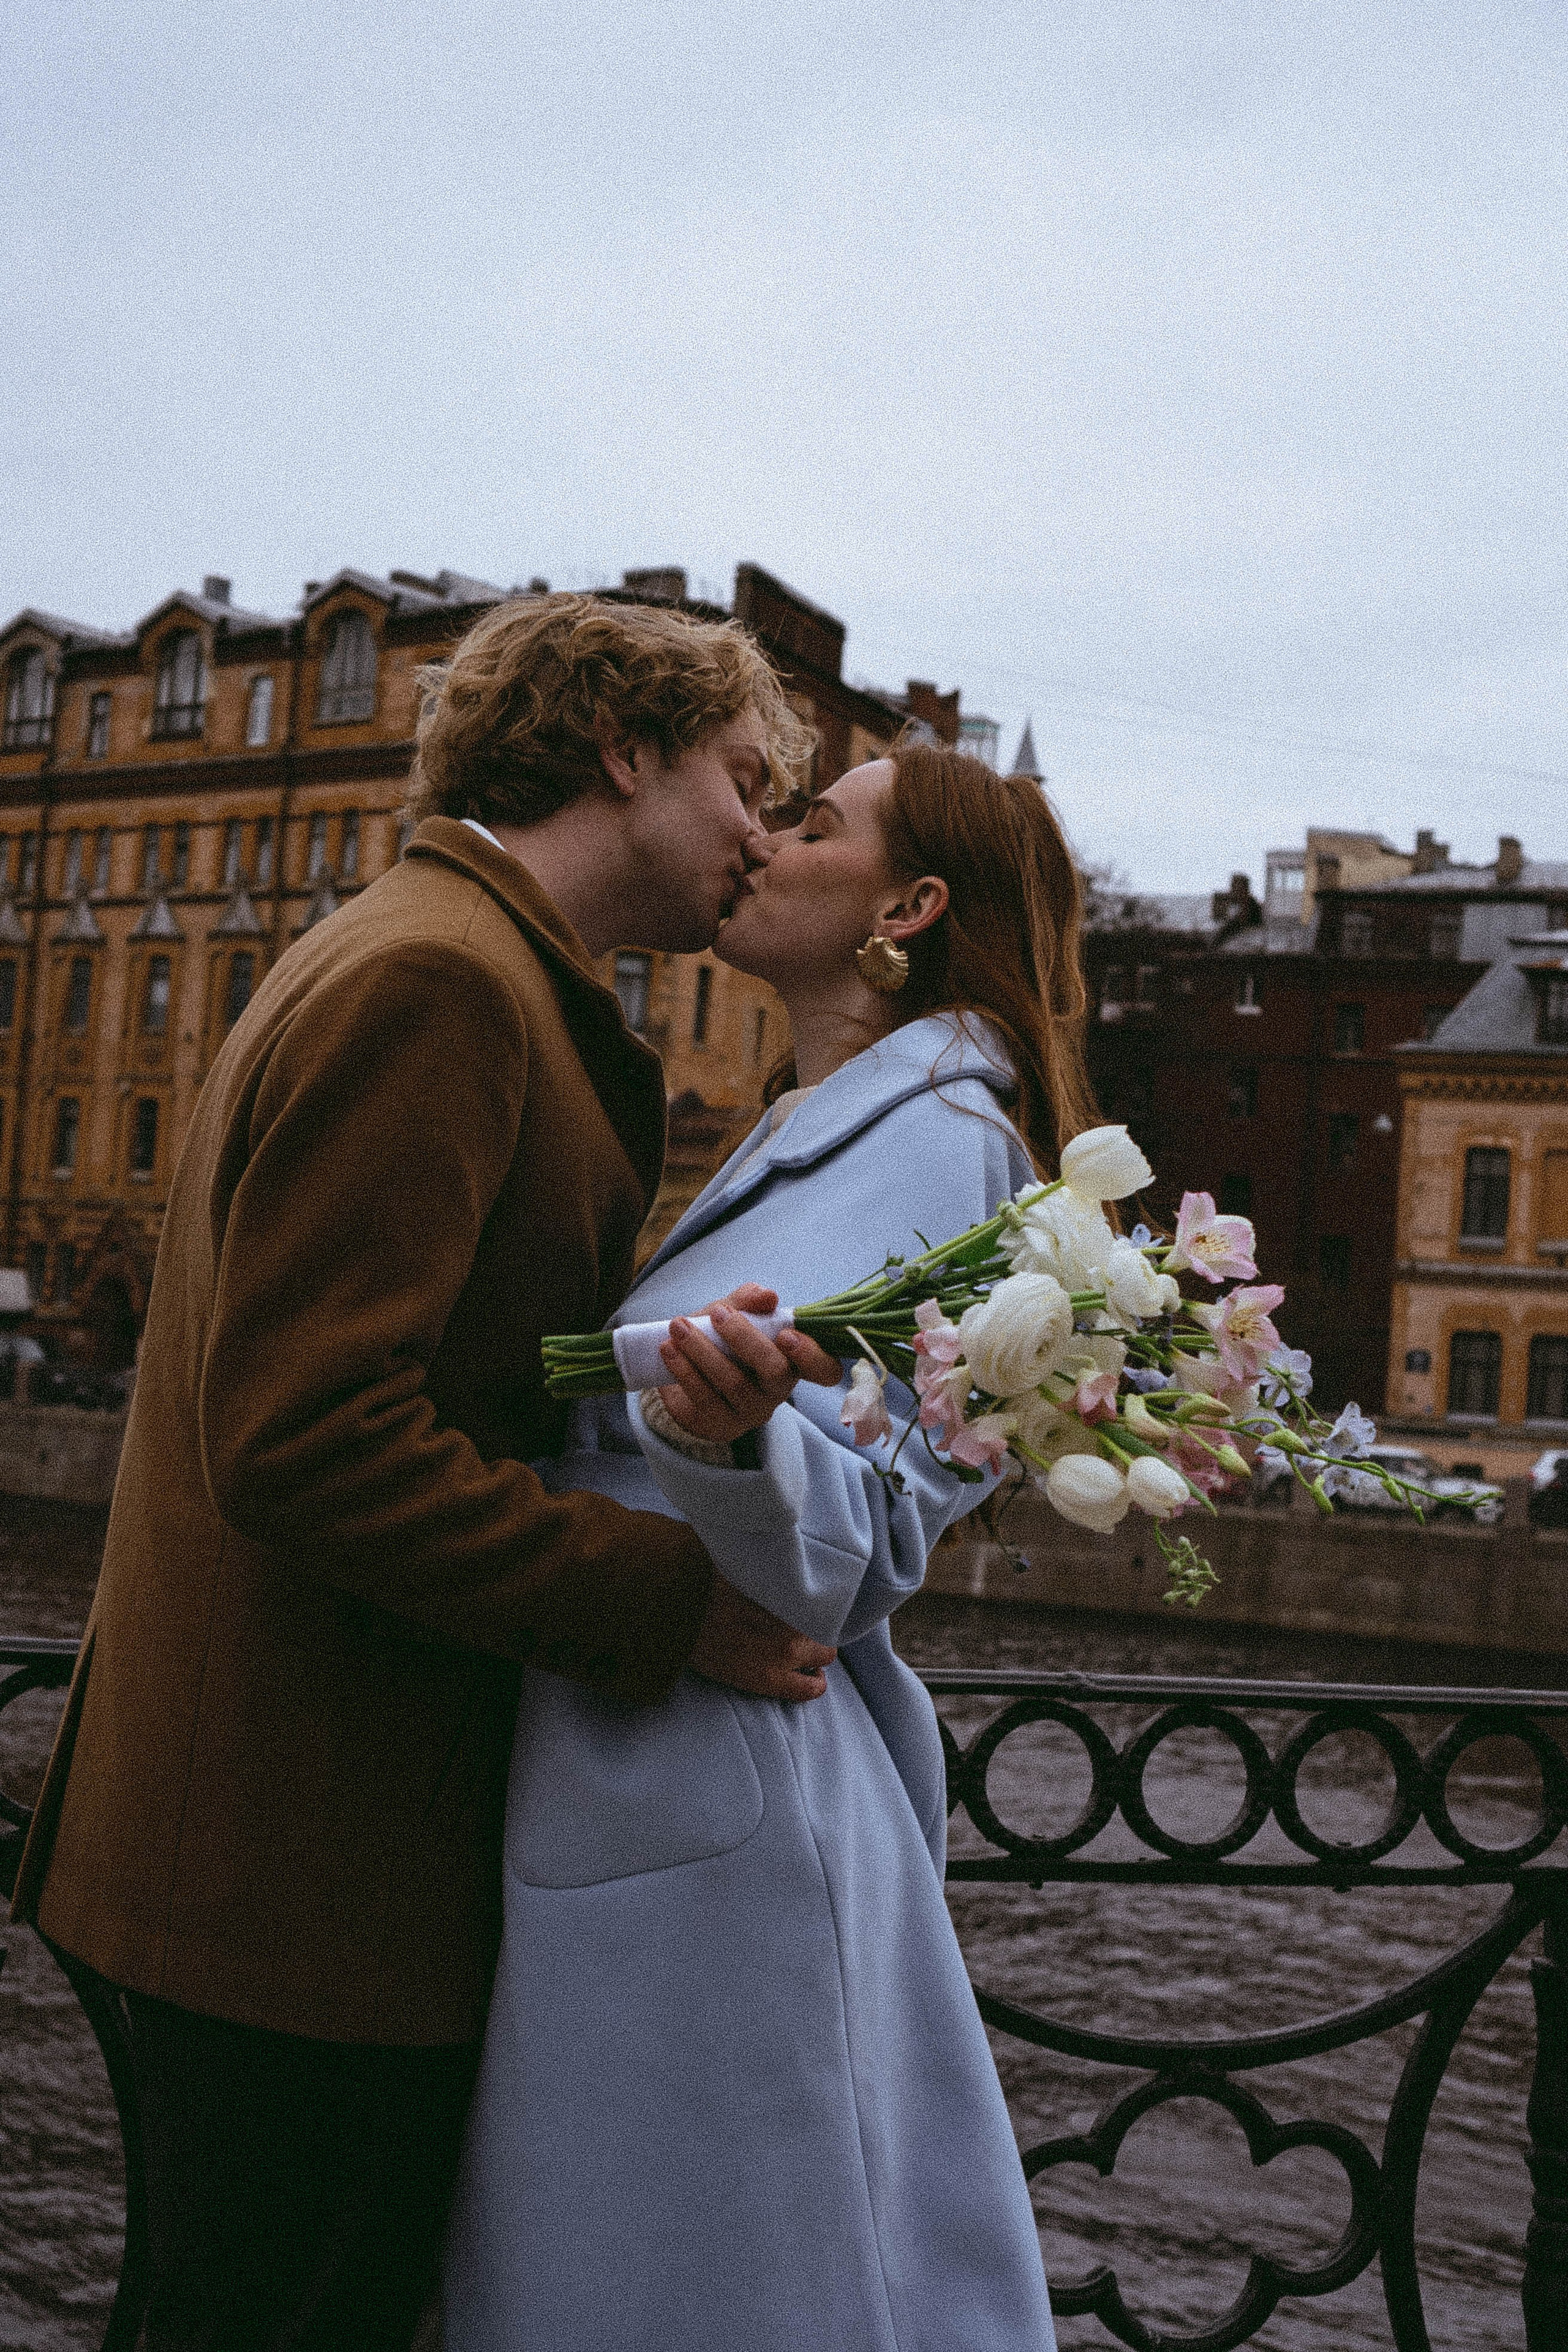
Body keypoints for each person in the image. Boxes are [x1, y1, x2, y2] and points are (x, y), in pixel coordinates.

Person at [11, 591, 845, 2352]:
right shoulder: (438, 984)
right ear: (622, 750)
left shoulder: (436, 954)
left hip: (270, 1849)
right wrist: (668, 1602)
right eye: (744, 779)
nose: (761, 832)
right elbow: (310, 1436)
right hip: (297, 1872)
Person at [445, 742, 1096, 2351]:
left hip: (724, 1798)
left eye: (812, 822)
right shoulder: (821, 1123)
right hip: (661, 1771)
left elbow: (862, 1547)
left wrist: (719, 1435)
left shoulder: (960, 1150)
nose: (764, 838)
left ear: (908, 906)